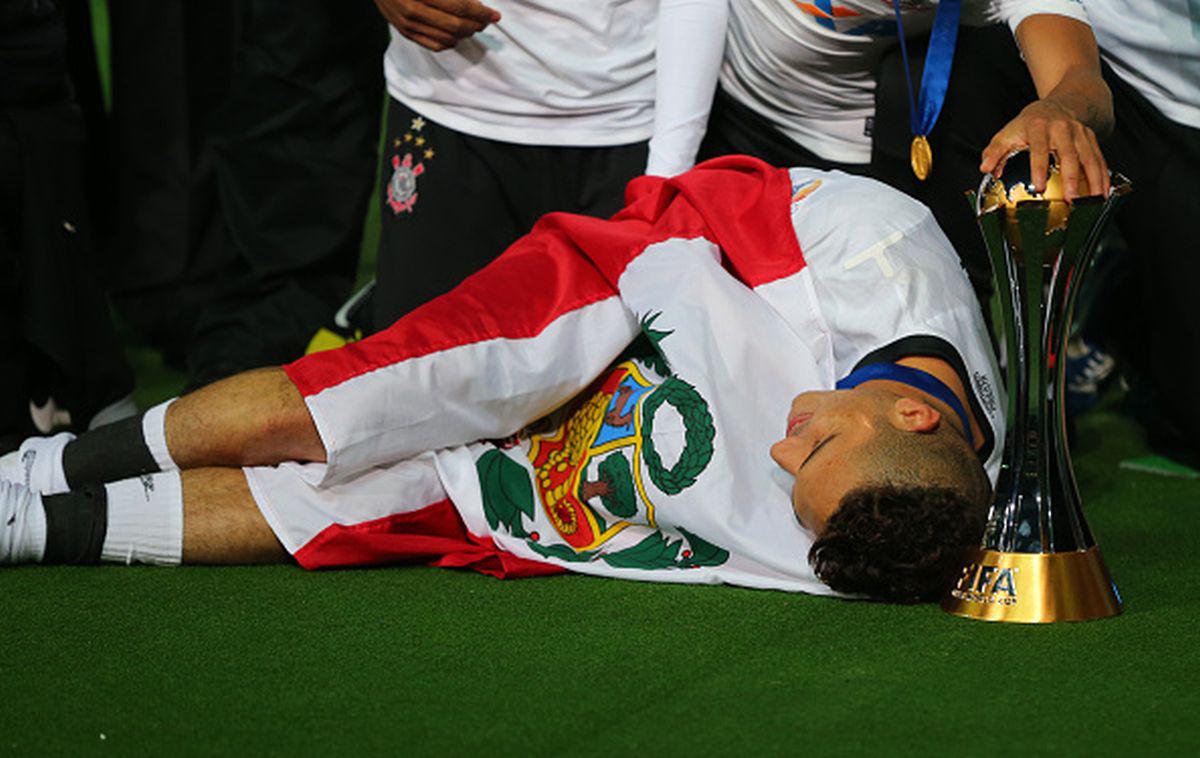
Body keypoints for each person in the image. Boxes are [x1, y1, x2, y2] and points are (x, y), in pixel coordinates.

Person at [0, 157, 1003, 602]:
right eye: (817, 444)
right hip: (603, 311)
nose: (790, 448)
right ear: (913, 409)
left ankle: (24, 522)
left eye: (802, 475)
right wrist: (562, 358)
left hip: (611, 464)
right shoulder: (877, 247)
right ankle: (45, 462)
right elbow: (671, 216)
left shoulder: (896, 520)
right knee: (359, 398)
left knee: (373, 509)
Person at [643, 0, 1113, 303]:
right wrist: (663, 180)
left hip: (864, 143)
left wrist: (1059, 107)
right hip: (738, 119)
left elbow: (1081, 78)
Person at [366, 0, 723, 330]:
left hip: (624, 127)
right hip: (445, 103)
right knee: (419, 367)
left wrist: (663, 181)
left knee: (601, 384)